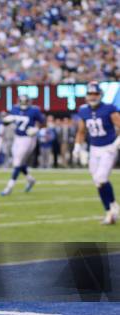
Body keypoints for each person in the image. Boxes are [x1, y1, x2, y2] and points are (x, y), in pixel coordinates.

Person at [73, 81, 120, 225]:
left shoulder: (109, 109)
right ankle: (111, 209)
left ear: (100, 95)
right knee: (98, 182)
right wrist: (77, 147)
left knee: (100, 178)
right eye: (90, 94)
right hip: (94, 149)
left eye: (95, 94)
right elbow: (81, 131)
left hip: (108, 148)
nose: (93, 97)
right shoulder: (83, 110)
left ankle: (111, 210)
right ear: (86, 96)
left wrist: (116, 144)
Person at [0, 95, 45, 196]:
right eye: (22, 102)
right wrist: (6, 120)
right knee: (19, 162)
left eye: (25, 102)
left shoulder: (34, 110)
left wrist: (37, 129)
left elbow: (43, 122)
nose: (24, 104)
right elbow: (5, 123)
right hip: (17, 137)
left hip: (28, 138)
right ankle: (30, 180)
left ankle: (9, 187)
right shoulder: (15, 109)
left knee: (17, 162)